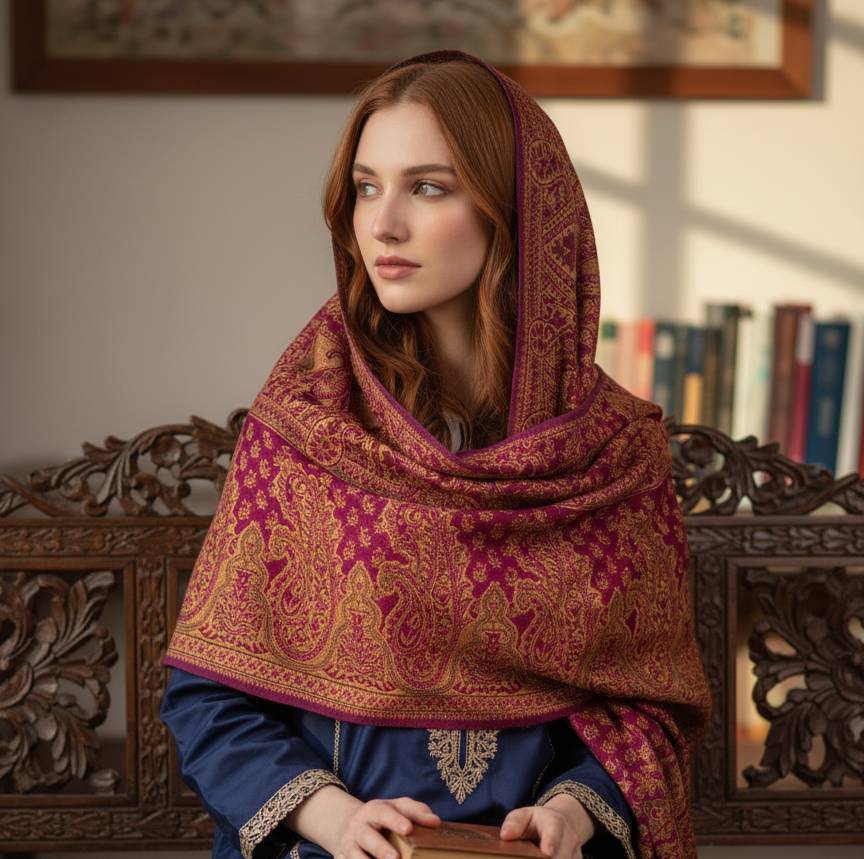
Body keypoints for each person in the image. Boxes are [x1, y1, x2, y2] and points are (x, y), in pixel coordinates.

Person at [161, 51, 710, 859]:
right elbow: (209, 698)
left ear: (515, 209)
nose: (382, 224)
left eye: (427, 186)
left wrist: (577, 806)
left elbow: (650, 707)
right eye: (366, 186)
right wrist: (335, 818)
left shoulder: (615, 452)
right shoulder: (308, 429)